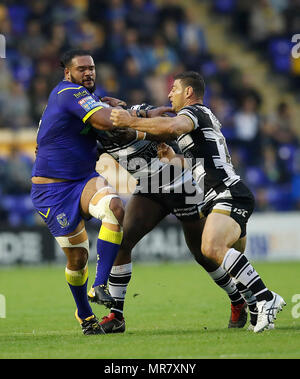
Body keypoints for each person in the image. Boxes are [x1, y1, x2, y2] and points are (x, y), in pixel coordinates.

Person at [110, 71, 286, 333]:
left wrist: (130, 120)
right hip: (224, 194)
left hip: (227, 193)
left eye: (175, 89)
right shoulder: (200, 120)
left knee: (210, 248)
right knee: (228, 260)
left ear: (189, 93)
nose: (170, 94)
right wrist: (174, 159)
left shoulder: (194, 112)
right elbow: (198, 160)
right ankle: (257, 304)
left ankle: (266, 298)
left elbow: (170, 127)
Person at [31, 49, 171, 336]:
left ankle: (100, 285)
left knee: (115, 207)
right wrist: (143, 118)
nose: (89, 73)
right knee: (77, 259)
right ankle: (84, 313)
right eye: (81, 69)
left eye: (92, 68)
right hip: (52, 190)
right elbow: (107, 122)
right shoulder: (68, 93)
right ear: (68, 73)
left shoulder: (89, 99)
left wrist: (146, 121)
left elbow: (113, 125)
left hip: (83, 180)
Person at [89, 103, 257, 334]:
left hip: (182, 187)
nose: (110, 111)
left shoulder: (138, 111)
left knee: (203, 254)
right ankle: (116, 315)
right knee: (122, 242)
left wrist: (147, 125)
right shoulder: (98, 134)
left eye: (111, 105)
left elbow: (171, 125)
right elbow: (84, 156)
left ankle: (237, 299)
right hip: (149, 189)